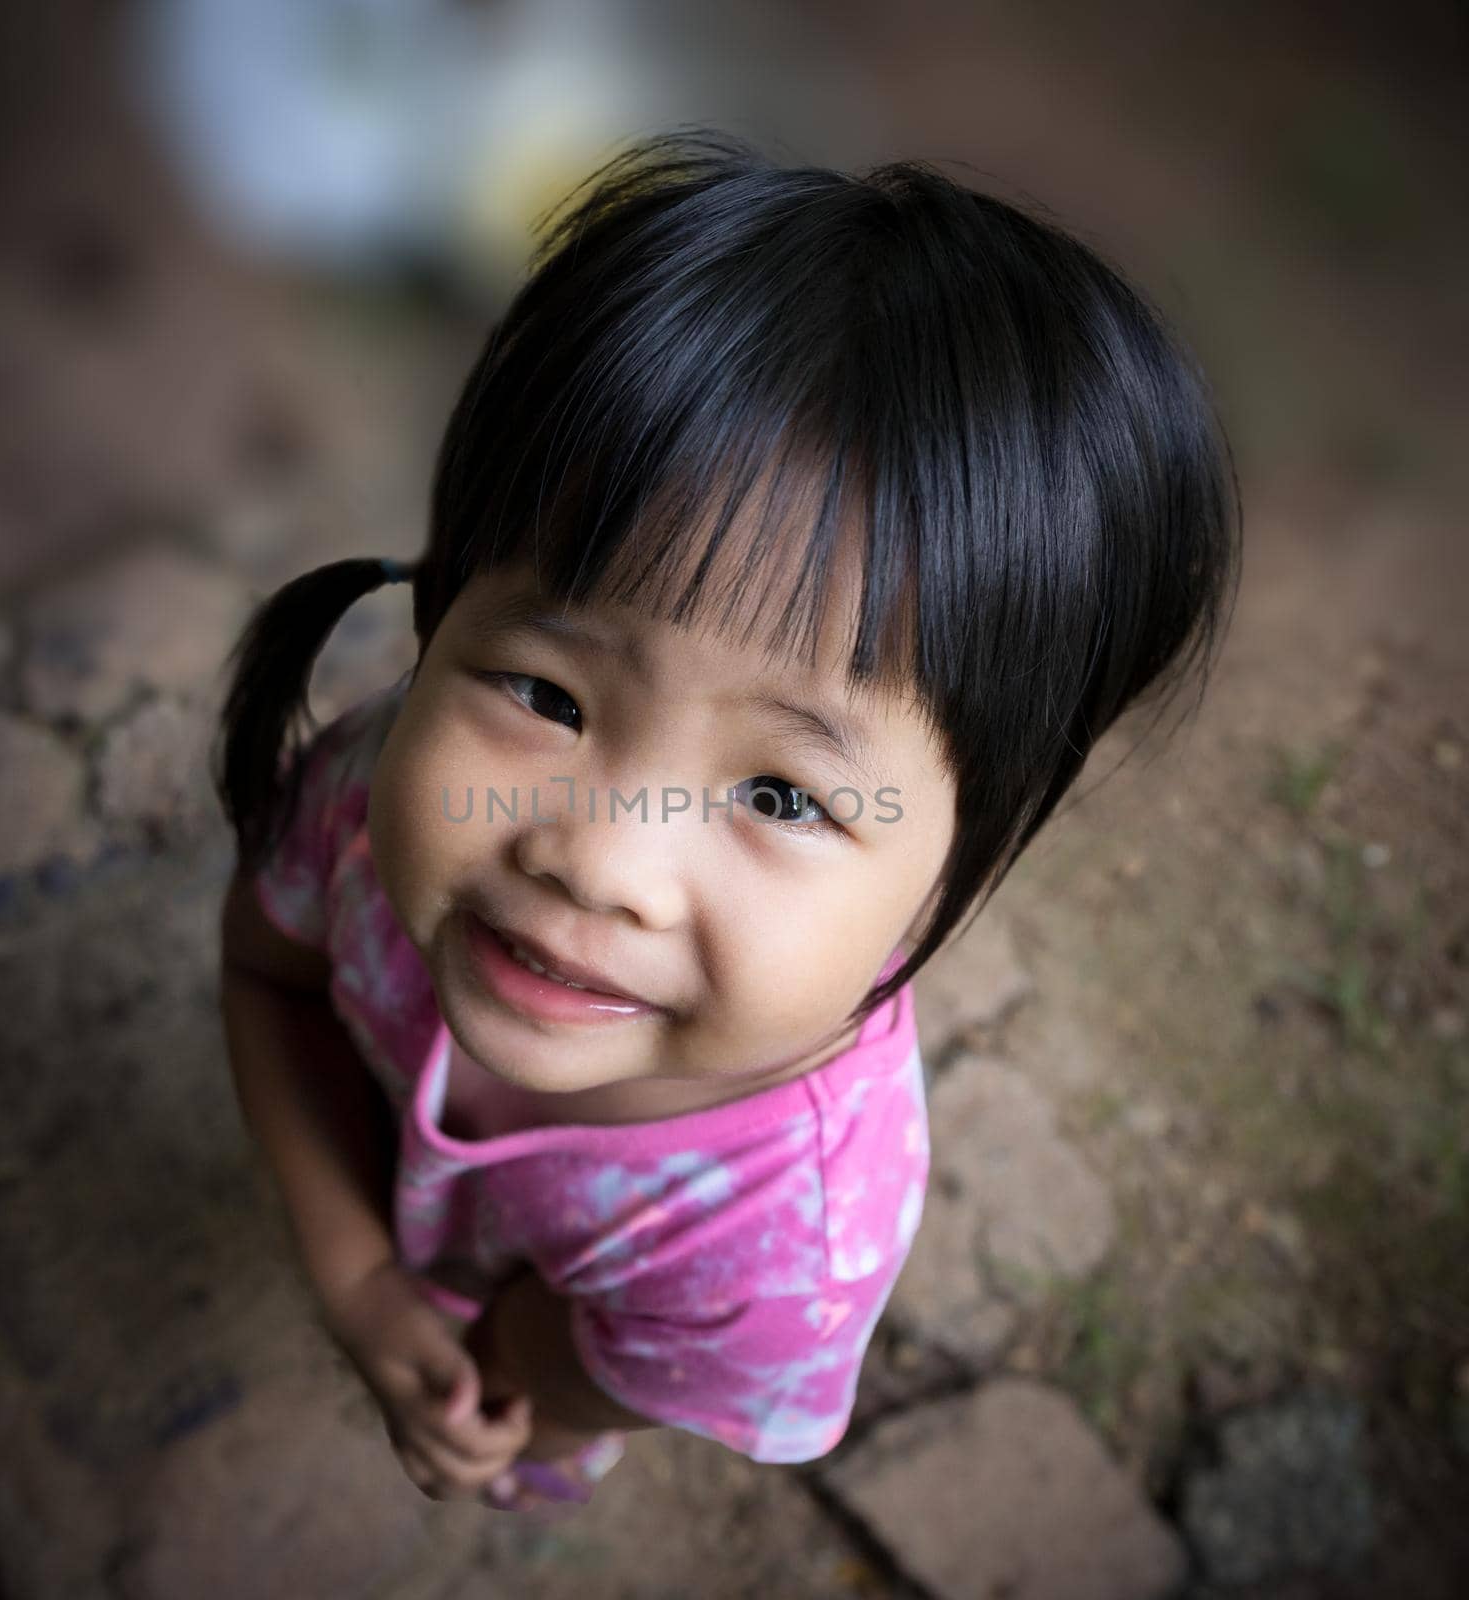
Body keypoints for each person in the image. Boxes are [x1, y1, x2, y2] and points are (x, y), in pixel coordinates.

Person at [213, 128, 1241, 1515]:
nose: (597, 857)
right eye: (545, 690)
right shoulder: (366, 793)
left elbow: (559, 1377)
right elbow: (266, 978)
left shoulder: (783, 1246)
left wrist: (488, 1373)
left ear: (969, 857)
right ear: (442, 604)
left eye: (780, 794)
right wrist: (354, 1275)